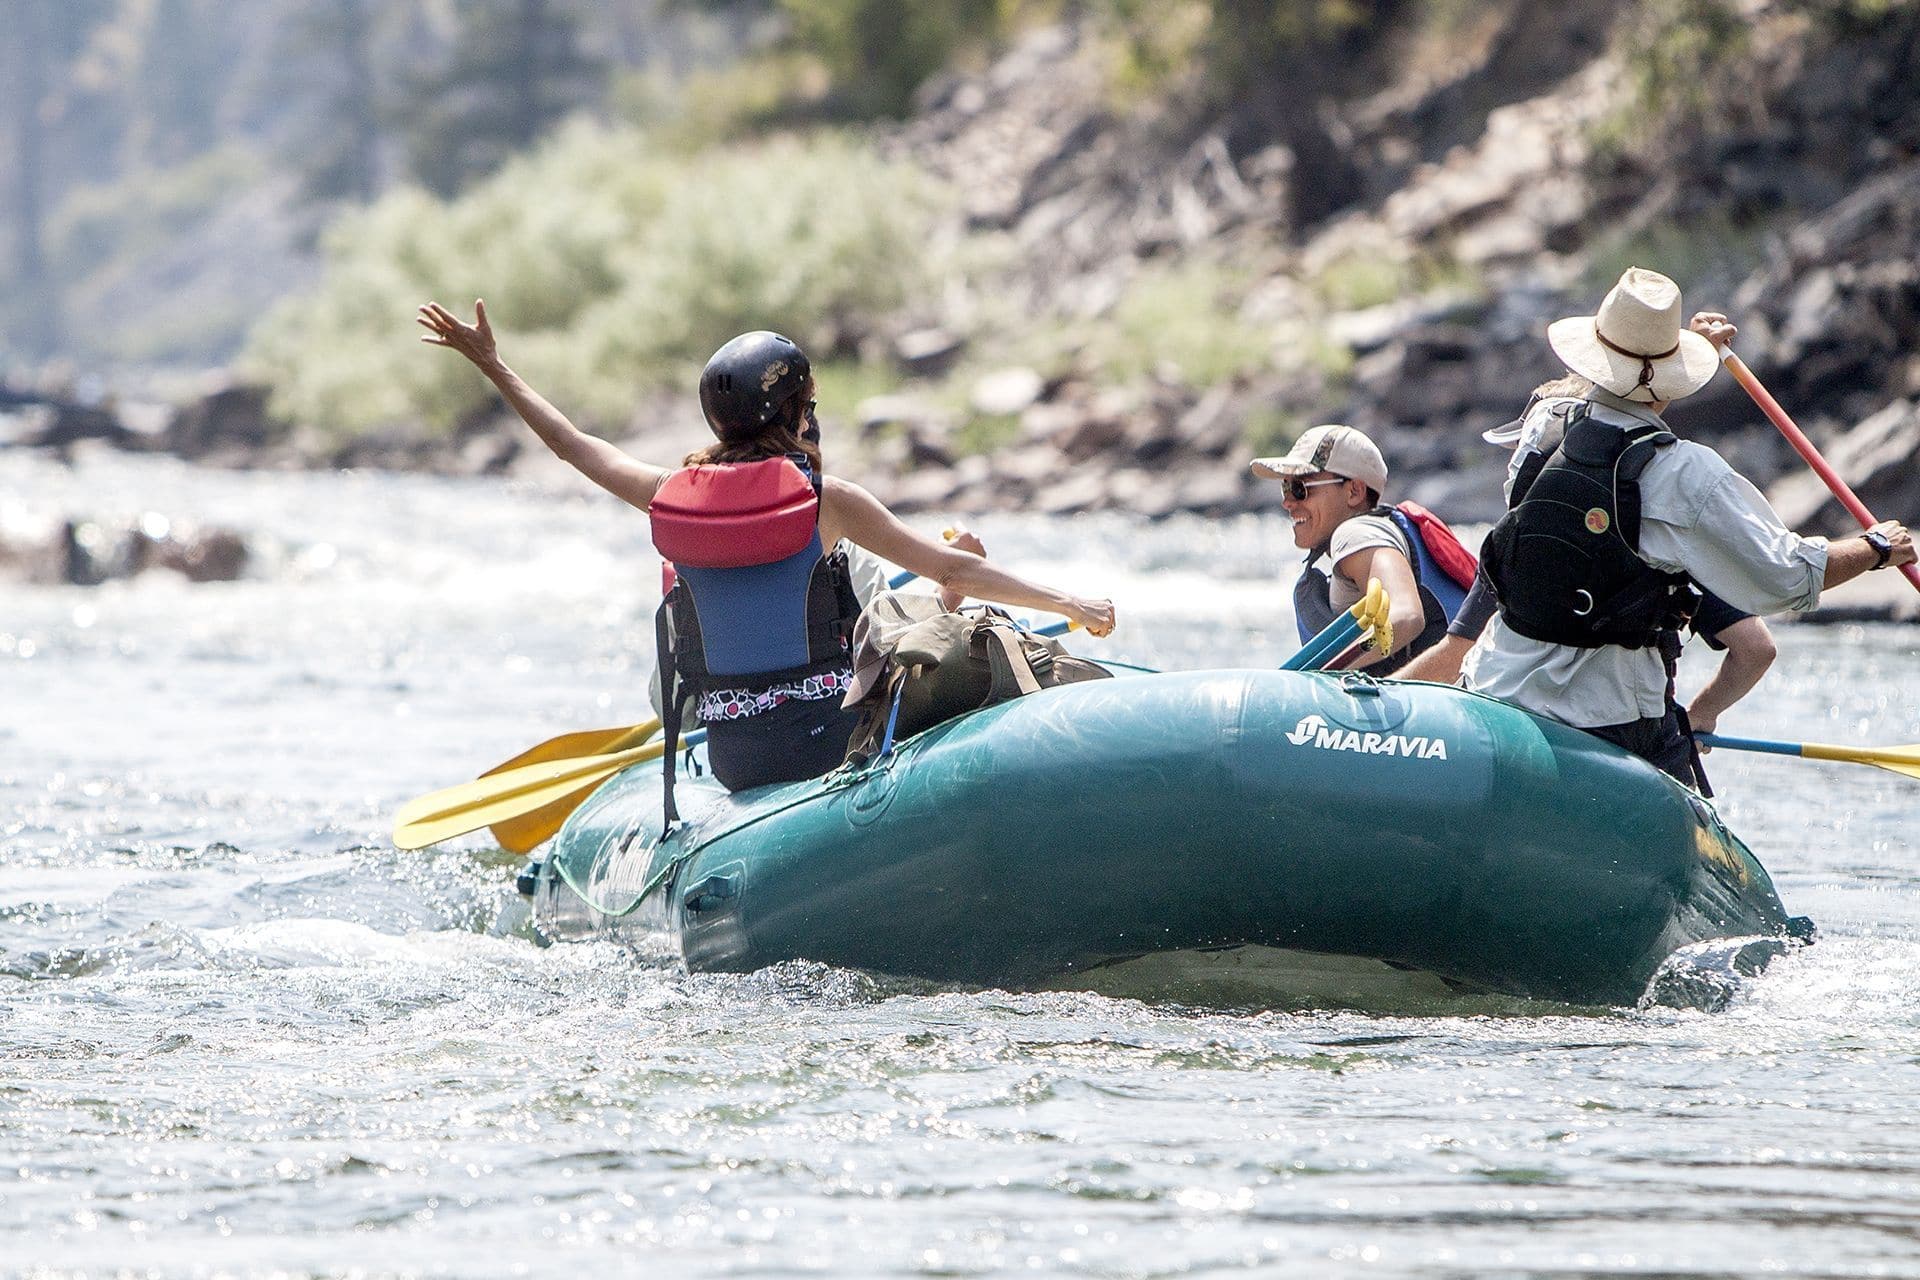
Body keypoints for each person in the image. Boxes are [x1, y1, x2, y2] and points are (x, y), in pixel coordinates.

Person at [418, 300, 1115, 800]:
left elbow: (576, 447)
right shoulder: (826, 500)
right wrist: (1070, 602)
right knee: (956, 642)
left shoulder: (669, 492)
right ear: (794, 415)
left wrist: (494, 365)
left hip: (735, 760)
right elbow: (951, 566)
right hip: (829, 742)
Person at [1456, 267, 1915, 784]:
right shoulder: (1683, 473)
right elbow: (1787, 578)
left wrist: (1678, 352)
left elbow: (1611, 401)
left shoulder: (1543, 425)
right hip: (1608, 724)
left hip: (1492, 691)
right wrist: (1875, 547)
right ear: (1670, 372)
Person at [1398, 372, 1778, 794]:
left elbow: (1458, 652)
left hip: (1519, 742)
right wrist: (1702, 713)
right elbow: (1755, 648)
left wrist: (1383, 707)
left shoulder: (1522, 544)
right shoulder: (1662, 534)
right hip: (1627, 754)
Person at [1250, 423, 1473, 673]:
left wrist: (1326, 674)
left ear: (1354, 492)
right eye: (1285, 487)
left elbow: (1406, 615)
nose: (1287, 502)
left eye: (1300, 489)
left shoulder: (1355, 533)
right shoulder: (1382, 530)